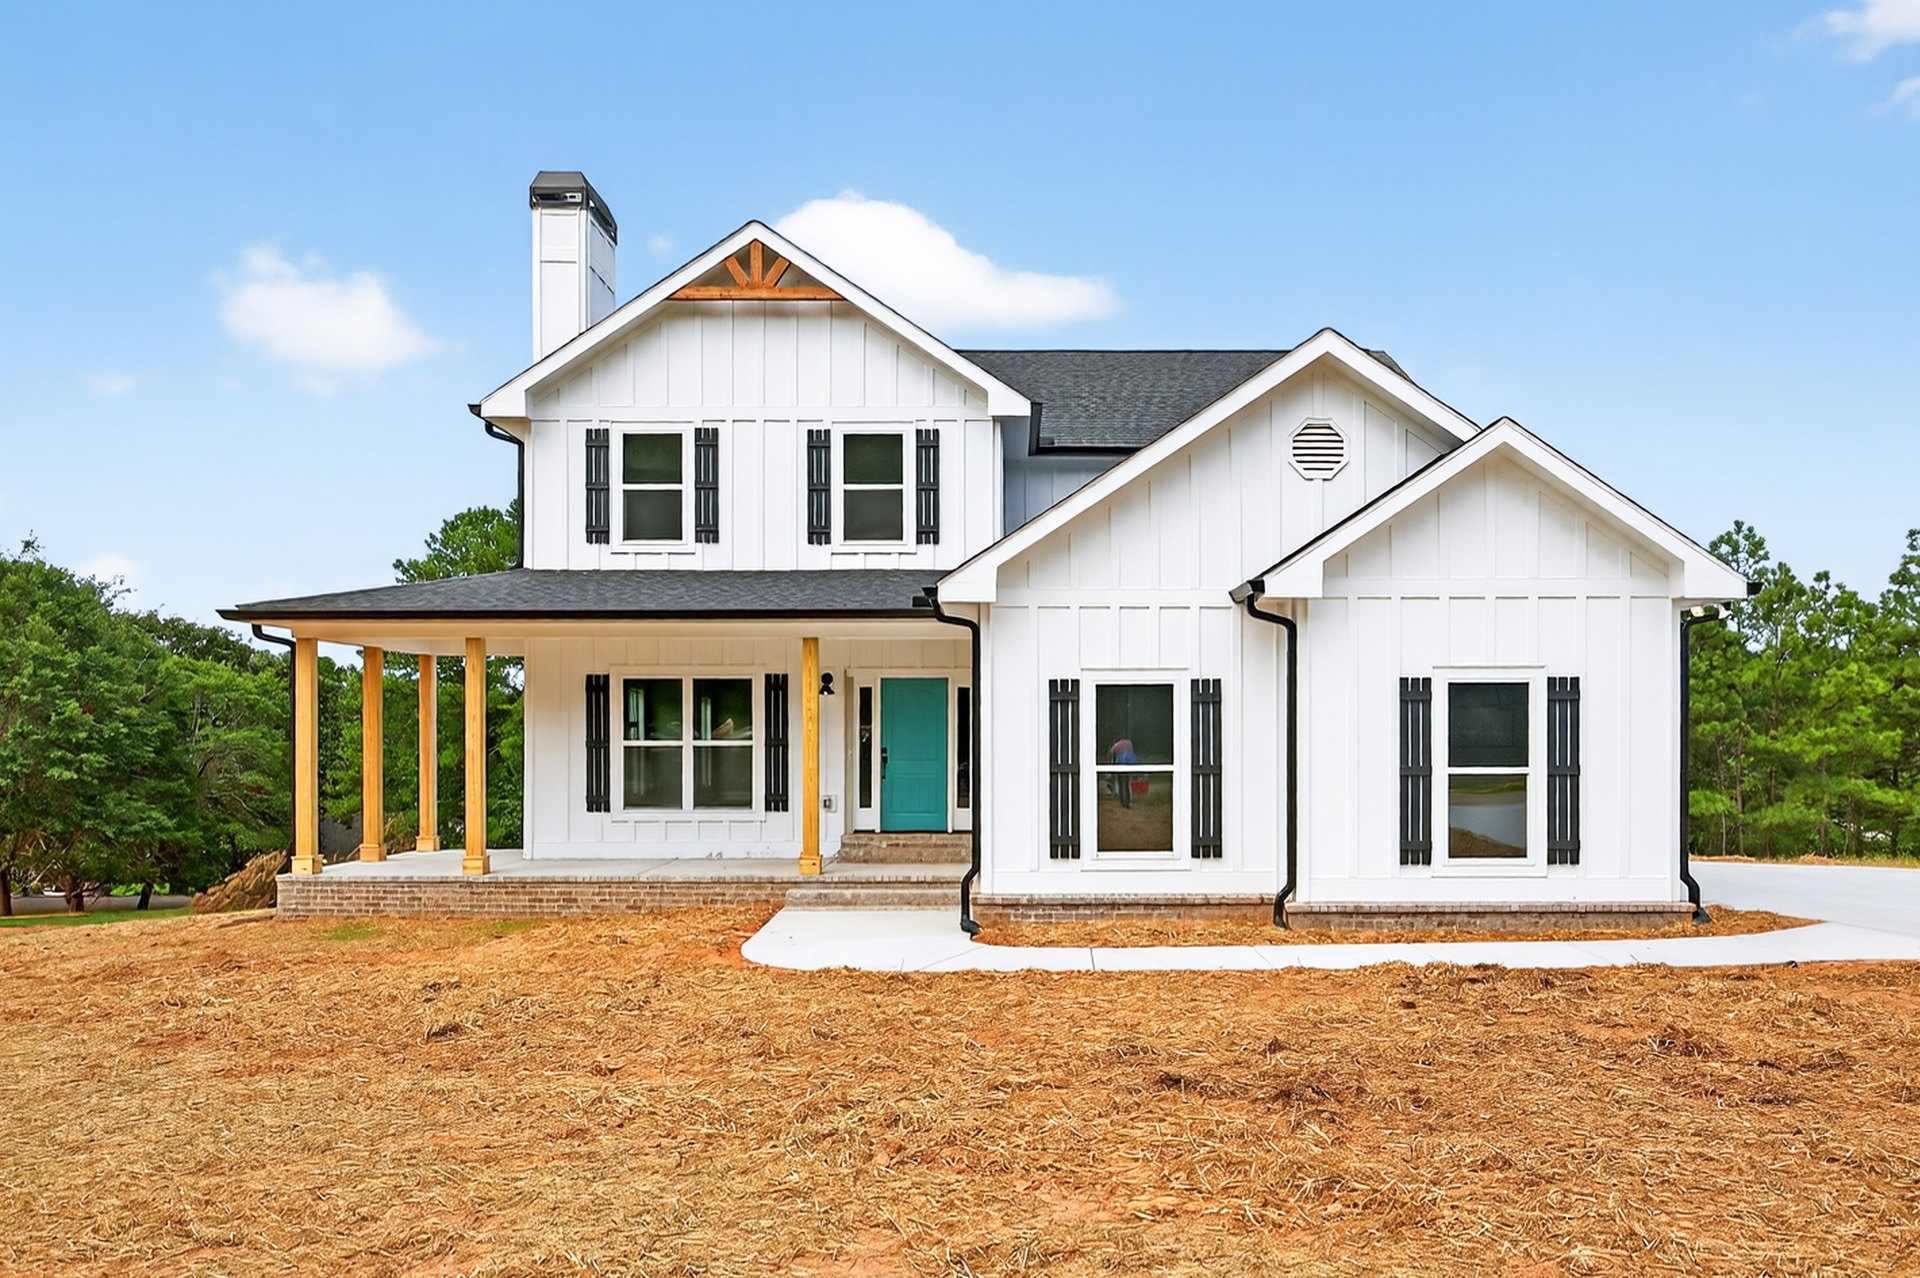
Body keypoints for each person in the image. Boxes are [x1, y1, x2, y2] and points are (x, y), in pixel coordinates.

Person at [1108, 737, 1137, 808]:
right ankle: (1127, 802)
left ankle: (1122, 802)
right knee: (1126, 784)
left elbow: (1113, 760)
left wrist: (1112, 772)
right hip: (1129, 765)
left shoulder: (1115, 746)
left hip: (1120, 765)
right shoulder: (1129, 742)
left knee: (1121, 784)